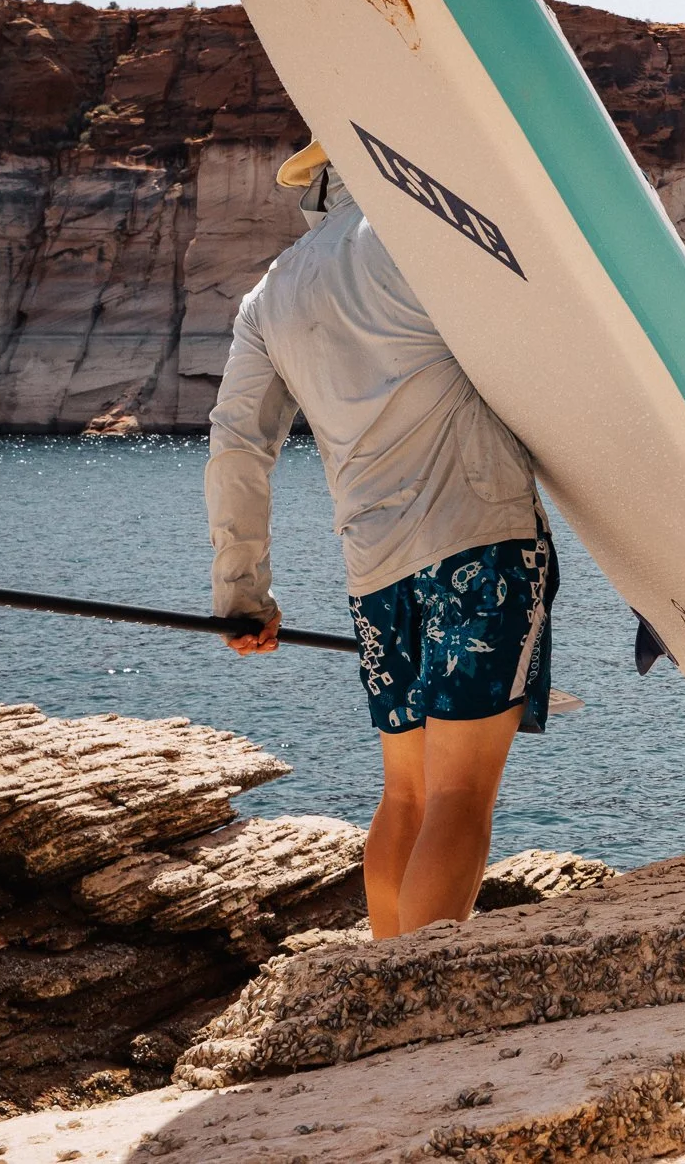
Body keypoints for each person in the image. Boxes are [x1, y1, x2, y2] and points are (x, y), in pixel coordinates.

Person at [206, 139, 555, 939]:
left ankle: (386, 982)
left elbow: (237, 445)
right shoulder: (421, 236)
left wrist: (242, 592)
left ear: (316, 184)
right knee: (462, 793)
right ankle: (422, 998)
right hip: (480, 543)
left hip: (372, 573)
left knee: (406, 793)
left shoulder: (268, 297)